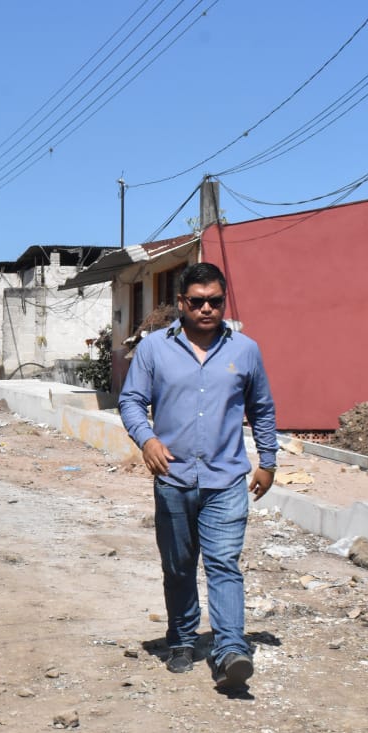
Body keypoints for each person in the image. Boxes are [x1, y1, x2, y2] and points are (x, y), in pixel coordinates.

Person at [118, 261, 277, 692]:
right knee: (179, 565)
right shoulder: (154, 350)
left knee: (225, 564)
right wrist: (147, 441)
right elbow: (131, 401)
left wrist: (269, 460)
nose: (207, 309)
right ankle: (183, 640)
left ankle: (230, 649)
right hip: (173, 478)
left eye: (216, 301)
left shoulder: (245, 350)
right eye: (198, 301)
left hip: (226, 479)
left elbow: (261, 408)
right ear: (181, 303)